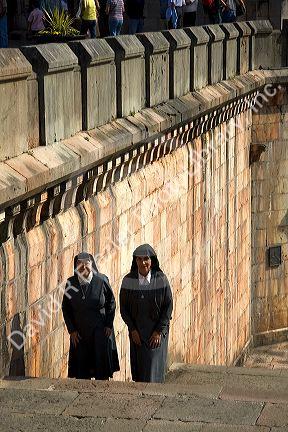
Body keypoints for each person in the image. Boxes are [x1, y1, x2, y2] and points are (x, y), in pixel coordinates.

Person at [120, 244, 173, 383]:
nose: (143, 263)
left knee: (152, 370)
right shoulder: (128, 280)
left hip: (156, 334)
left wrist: (158, 331)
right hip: (137, 332)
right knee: (139, 369)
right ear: (135, 261)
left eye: (146, 259)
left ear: (152, 261)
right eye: (139, 259)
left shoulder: (161, 279)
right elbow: (123, 308)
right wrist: (132, 329)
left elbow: (168, 307)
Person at [62, 252, 120, 380]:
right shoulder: (71, 283)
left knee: (101, 371)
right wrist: (72, 330)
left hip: (100, 332)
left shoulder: (101, 280)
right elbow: (66, 308)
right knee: (82, 373)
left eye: (86, 262)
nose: (83, 266)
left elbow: (111, 303)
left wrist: (109, 325)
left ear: (91, 263)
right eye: (79, 263)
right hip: (80, 334)